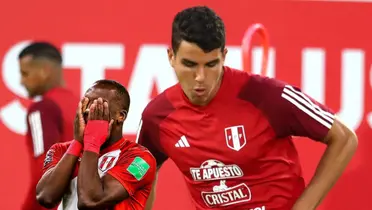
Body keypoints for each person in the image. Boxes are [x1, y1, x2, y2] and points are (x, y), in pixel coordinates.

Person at [136, 6, 358, 210]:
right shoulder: (157, 117)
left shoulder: (266, 96)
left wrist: (304, 207)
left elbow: (345, 138)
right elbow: (139, 176)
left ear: (224, 56)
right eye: (189, 64)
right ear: (171, 57)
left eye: (211, 64)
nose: (200, 77)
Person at [36, 79, 156, 210]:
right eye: (85, 106)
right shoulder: (60, 150)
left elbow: (90, 201)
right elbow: (45, 197)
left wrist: (92, 142)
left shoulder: (140, 159)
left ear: (120, 116)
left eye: (98, 109)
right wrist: (77, 143)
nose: (88, 113)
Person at [19, 41, 79, 210]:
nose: (22, 81)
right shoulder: (82, 104)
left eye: (25, 73)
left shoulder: (43, 108)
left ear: (44, 71)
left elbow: (44, 174)